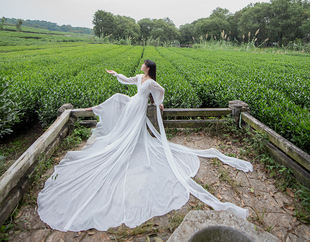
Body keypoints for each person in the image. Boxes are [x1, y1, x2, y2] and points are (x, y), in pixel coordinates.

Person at [37, 60, 253, 232]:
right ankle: (105, 120)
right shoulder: (140, 78)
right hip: (133, 104)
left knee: (131, 124)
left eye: (143, 65)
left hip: (140, 107)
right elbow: (127, 80)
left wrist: (159, 102)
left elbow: (162, 89)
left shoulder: (150, 82)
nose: (141, 67)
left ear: (148, 68)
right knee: (117, 96)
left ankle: (124, 141)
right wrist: (115, 74)